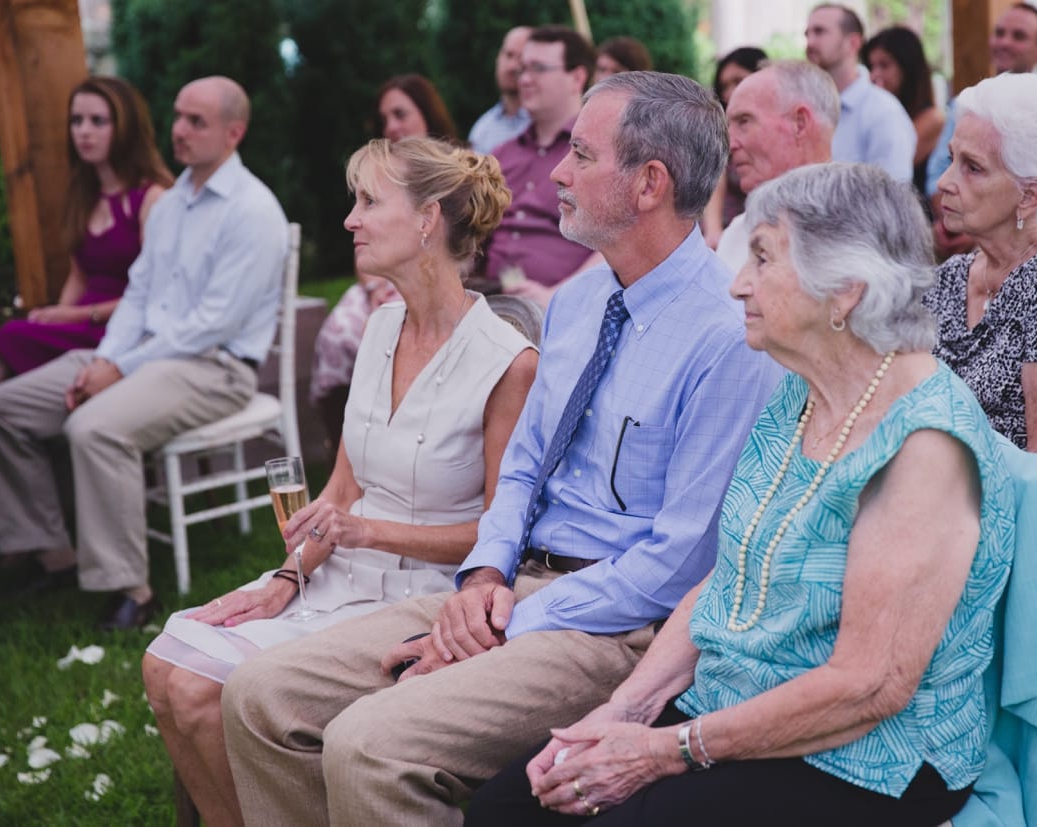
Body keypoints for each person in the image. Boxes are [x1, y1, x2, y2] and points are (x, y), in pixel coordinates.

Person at [220, 71, 783, 826]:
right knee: (258, 694)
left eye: (581, 154)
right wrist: (485, 574)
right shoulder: (581, 302)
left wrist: (506, 619)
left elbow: (680, 560)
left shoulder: (725, 336)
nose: (555, 171)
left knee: (369, 743)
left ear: (649, 183)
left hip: (614, 626)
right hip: (510, 584)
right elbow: (522, 466)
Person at [466, 161, 1015, 826]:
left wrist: (662, 750)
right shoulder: (800, 392)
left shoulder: (925, 445)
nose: (738, 284)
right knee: (511, 803)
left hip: (866, 756)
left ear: (843, 292)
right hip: (737, 703)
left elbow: (868, 686)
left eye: (761, 258)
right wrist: (623, 710)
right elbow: (728, 575)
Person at [142, 136, 537, 827]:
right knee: (164, 664)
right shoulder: (380, 325)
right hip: (337, 577)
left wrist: (364, 531)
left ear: (428, 220)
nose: (349, 219)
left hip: (421, 600)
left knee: (203, 690)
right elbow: (340, 490)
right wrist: (284, 578)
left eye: (367, 202)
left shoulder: (509, 363)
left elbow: (497, 535)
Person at [0, 76, 288, 629]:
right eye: (177, 117)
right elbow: (139, 296)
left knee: (94, 428)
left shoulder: (252, 209)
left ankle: (133, 591)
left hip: (214, 367)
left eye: (196, 121)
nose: (179, 131)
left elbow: (211, 325)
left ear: (233, 133)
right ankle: (50, 552)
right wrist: (104, 360)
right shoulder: (171, 206)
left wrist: (118, 367)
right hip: (143, 355)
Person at [925, 72, 1037, 547]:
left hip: (1028, 545)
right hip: (939, 518)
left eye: (973, 168)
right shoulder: (951, 277)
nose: (945, 183)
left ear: (1030, 194)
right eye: (951, 160)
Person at [0, 76, 171, 411]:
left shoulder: (153, 198)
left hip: (119, 330)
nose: (84, 131)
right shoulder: (83, 196)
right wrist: (54, 316)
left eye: (98, 121)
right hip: (80, 325)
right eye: (76, 121)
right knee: (13, 339)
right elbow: (79, 276)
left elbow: (156, 297)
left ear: (125, 127)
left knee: (8, 339)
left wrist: (72, 316)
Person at [311, 73, 459, 453]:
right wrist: (376, 287)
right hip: (381, 282)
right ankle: (350, 439)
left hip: (434, 269)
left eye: (400, 114)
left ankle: (400, 439)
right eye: (384, 119)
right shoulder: (381, 169)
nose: (392, 126)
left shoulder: (456, 170)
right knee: (339, 332)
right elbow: (365, 248)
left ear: (428, 114)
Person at [482, 25, 600, 306]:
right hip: (489, 301)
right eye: (522, 69)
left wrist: (558, 296)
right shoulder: (501, 155)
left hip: (570, 308)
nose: (523, 79)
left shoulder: (599, 153)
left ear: (577, 77)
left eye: (537, 68)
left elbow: (622, 241)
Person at [715, 60, 838, 272]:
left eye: (744, 121)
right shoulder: (735, 236)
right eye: (728, 127)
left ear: (799, 123)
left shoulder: (866, 231)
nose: (730, 144)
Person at [925, 3, 1037, 201]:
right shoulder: (965, 104)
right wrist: (953, 223)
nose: (1005, 42)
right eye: (999, 33)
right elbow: (936, 178)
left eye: (1019, 36)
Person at [804, 3, 915, 182]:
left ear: (853, 42)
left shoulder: (883, 111)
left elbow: (892, 197)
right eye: (807, 34)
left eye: (820, 32)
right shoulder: (806, 105)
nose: (810, 42)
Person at [863, 26, 946, 197]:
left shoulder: (933, 119)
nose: (874, 75)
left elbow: (886, 168)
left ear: (908, 69)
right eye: (871, 67)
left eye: (884, 65)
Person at [701, 46, 768, 249]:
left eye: (738, 81)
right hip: (725, 226)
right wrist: (713, 231)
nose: (730, 92)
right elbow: (715, 177)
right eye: (724, 86)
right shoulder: (719, 127)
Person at [468, 26, 532, 154]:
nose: (513, 66)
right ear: (498, 58)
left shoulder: (547, 123)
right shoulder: (482, 129)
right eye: (508, 55)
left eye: (521, 58)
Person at [374, 73, 458, 144]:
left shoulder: (463, 161)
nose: (390, 127)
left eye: (400, 114)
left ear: (427, 114)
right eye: (384, 121)